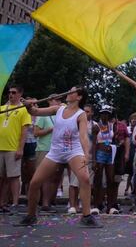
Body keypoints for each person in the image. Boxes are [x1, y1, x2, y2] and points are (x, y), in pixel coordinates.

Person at [15, 87, 102, 228]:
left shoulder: (81, 114)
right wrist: (27, 106)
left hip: (73, 151)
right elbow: (35, 112)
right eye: (68, 90)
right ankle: (31, 216)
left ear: (79, 97)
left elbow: (83, 136)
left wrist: (87, 153)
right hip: (55, 151)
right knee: (34, 183)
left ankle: (86, 216)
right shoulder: (58, 109)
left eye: (72, 91)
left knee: (85, 179)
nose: (68, 92)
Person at [0, 84, 32, 214]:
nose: (11, 95)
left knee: (13, 177)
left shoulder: (24, 110)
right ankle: (2, 203)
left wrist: (20, 149)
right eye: (9, 92)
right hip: (0, 148)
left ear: (20, 94)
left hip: (13, 148)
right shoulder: (2, 108)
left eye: (14, 92)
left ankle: (15, 203)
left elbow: (24, 132)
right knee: (1, 177)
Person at [32, 102, 56, 212]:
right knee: (41, 177)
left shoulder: (59, 115)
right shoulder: (43, 116)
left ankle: (47, 202)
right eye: (56, 100)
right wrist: (49, 130)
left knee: (52, 178)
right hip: (43, 148)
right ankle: (41, 203)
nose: (59, 102)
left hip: (55, 149)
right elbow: (36, 133)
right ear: (50, 102)